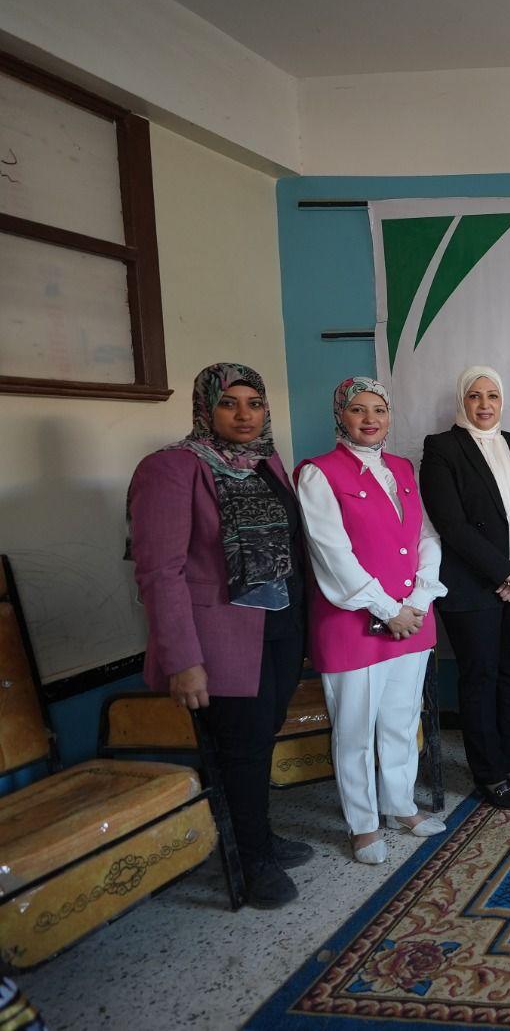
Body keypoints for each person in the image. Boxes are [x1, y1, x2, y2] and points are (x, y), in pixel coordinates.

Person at [127, 362, 311, 908]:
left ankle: (259, 835)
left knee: (263, 734)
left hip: (280, 626)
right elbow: (159, 572)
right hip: (220, 638)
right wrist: (182, 659)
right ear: (206, 408)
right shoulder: (171, 467)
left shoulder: (267, 462)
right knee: (241, 747)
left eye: (254, 403)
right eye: (229, 403)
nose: (244, 415)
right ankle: (252, 862)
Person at [296, 377, 447, 864]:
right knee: (355, 731)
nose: (370, 419)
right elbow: (332, 556)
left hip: (412, 619)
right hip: (353, 625)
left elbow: (426, 538)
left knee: (402, 721)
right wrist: (388, 609)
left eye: (379, 409)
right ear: (340, 415)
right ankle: (362, 824)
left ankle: (400, 804)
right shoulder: (318, 474)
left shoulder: (402, 467)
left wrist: (418, 600)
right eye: (358, 409)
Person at [420, 366, 510, 809]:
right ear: (462, 400)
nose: (484, 404)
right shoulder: (442, 448)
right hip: (473, 588)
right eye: (474, 396)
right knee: (480, 677)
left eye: (492, 395)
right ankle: (488, 772)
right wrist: (504, 574)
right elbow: (452, 524)